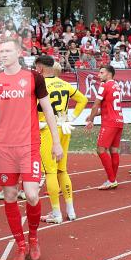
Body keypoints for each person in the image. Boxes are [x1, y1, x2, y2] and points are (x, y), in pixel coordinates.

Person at [0, 37, 62, 260]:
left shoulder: (34, 78)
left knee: (32, 194)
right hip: (5, 147)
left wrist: (56, 141)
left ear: (18, 53)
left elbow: (48, 110)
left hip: (29, 146)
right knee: (10, 196)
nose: (2, 54)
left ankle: (33, 237)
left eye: (7, 51)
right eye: (0, 51)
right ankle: (20, 244)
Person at [35, 56, 88, 224]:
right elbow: (83, 99)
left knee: (50, 172)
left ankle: (56, 213)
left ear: (40, 68)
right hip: (64, 128)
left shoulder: (39, 85)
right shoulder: (64, 84)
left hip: (49, 130)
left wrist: (38, 122)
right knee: (62, 170)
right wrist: (72, 116)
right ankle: (71, 210)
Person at [85, 65, 123, 189]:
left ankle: (111, 180)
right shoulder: (116, 85)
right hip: (119, 120)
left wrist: (91, 119)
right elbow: (108, 107)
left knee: (101, 150)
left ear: (109, 74)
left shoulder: (104, 86)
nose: (99, 75)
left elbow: (96, 104)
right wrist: (94, 115)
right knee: (114, 151)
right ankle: (113, 178)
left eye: (102, 72)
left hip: (109, 122)